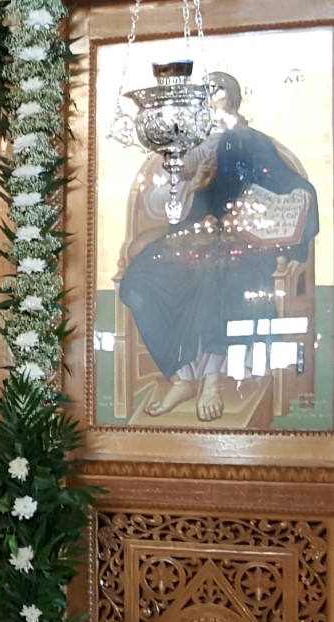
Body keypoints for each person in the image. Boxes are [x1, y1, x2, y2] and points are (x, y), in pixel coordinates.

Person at [120, 71, 319, 422]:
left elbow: (285, 184)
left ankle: (211, 378)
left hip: (245, 244)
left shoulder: (251, 142)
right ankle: (183, 377)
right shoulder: (186, 145)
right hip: (195, 235)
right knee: (140, 279)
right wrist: (193, 186)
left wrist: (298, 197)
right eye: (203, 93)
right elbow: (163, 203)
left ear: (231, 99)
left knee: (214, 271)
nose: (207, 99)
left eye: (214, 92)